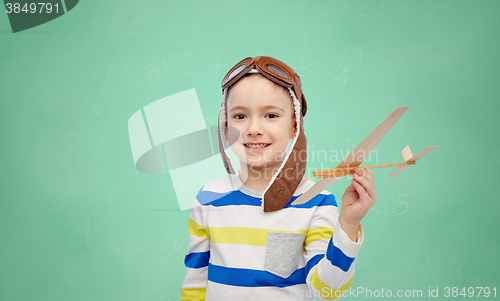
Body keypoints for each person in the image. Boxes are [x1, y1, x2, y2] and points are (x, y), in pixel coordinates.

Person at [180, 56, 376, 301]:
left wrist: (348, 225)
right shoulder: (208, 197)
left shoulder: (316, 202)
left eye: (271, 115)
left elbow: (327, 291)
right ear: (225, 124)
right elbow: (195, 282)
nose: (253, 129)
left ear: (295, 125)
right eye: (240, 116)